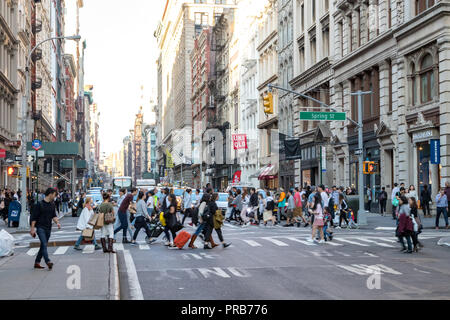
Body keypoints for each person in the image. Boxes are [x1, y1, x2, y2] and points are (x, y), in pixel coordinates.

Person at [30, 188, 62, 270]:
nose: (55, 197)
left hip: (48, 228)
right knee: (44, 244)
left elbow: (53, 216)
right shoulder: (39, 204)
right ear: (50, 194)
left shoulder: (52, 205)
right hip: (40, 227)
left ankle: (37, 262)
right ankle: (48, 261)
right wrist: (32, 229)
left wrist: (57, 222)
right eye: (55, 195)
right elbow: (34, 218)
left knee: (43, 245)